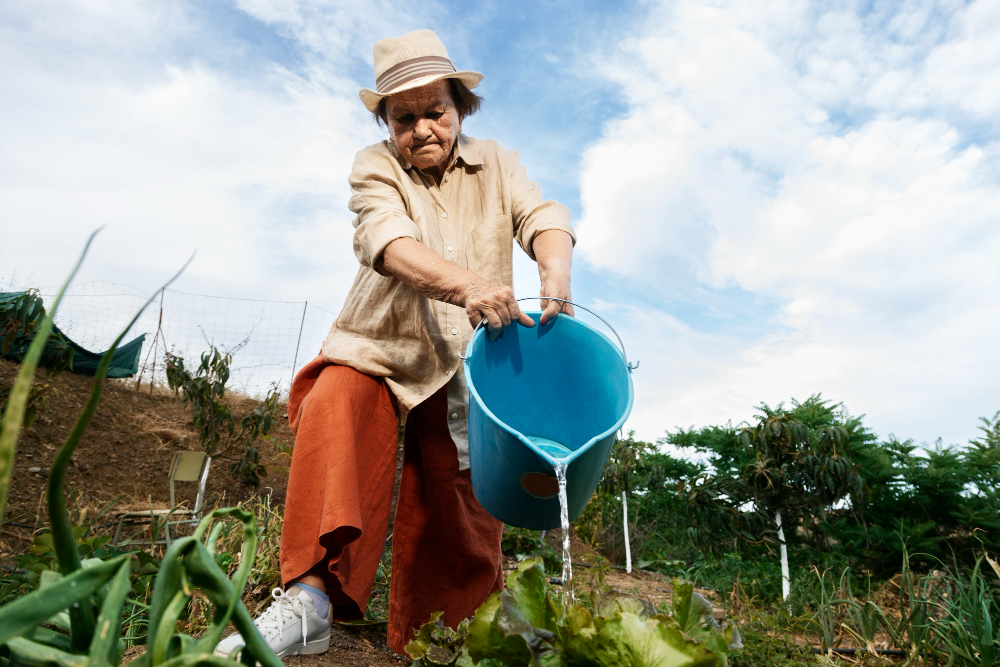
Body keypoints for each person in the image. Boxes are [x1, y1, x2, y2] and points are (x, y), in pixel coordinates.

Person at [215, 28, 576, 659]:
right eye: (403, 118)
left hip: (466, 356)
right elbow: (386, 240)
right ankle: (310, 601)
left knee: (460, 496)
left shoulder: (498, 163)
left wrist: (555, 273)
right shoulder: (374, 165)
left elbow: (539, 216)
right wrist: (466, 285)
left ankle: (446, 637)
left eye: (435, 112)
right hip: (381, 345)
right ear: (387, 123)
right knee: (335, 406)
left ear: (460, 108)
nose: (423, 130)